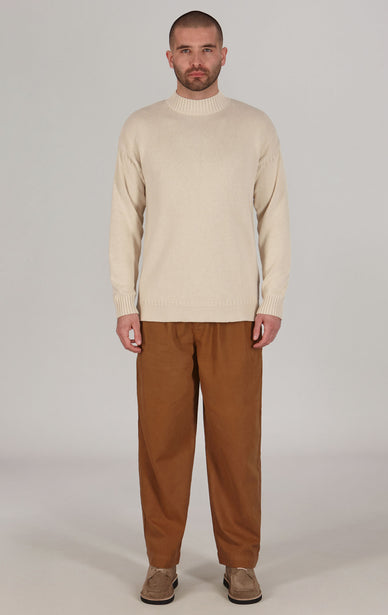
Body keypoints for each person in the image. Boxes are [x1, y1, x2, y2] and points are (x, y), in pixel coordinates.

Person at [109, 10, 290, 605]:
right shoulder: (141, 127)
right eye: (185, 50)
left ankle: (240, 562)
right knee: (161, 446)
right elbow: (125, 218)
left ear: (223, 54)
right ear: (169, 57)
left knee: (236, 447)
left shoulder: (254, 127)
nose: (196, 60)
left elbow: (274, 215)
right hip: (160, 313)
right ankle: (162, 562)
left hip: (235, 313)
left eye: (207, 48)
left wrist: (270, 300)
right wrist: (126, 302)